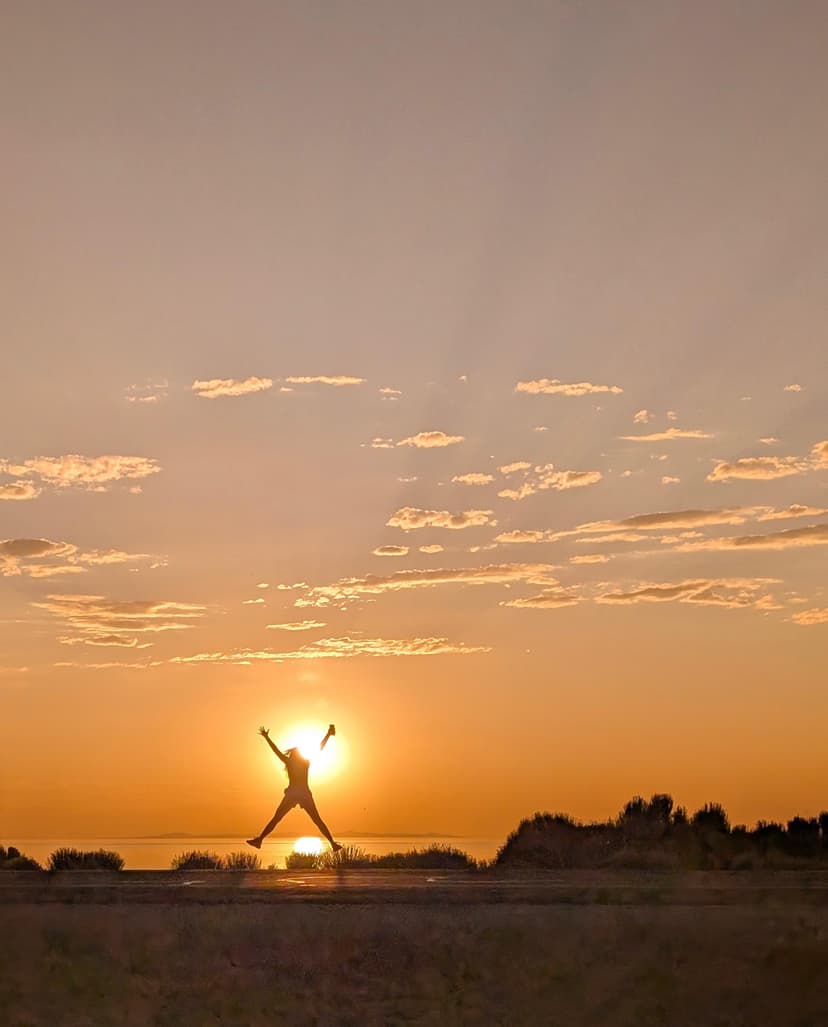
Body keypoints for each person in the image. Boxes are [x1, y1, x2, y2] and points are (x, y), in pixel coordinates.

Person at [246, 724, 342, 851]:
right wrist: (328, 734)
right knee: (317, 820)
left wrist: (266, 737)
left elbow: (276, 751)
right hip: (304, 793)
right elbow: (319, 748)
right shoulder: (305, 762)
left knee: (276, 818)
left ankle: (259, 840)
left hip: (293, 793)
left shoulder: (290, 762)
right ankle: (333, 844)